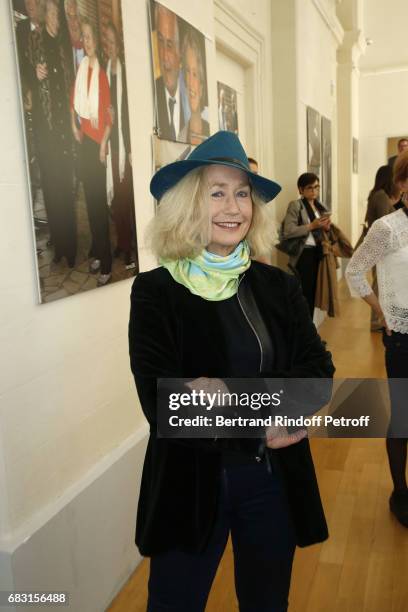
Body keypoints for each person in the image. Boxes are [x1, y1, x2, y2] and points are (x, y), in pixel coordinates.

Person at [129, 131, 334, 611]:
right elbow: (166, 405)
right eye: (215, 192)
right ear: (187, 204)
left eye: (242, 193)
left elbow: (318, 374)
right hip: (189, 484)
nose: (233, 207)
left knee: (266, 602)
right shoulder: (155, 292)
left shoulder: (277, 287)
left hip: (271, 480)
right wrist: (269, 409)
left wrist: (224, 393)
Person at [346, 150, 408, 528]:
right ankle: (399, 491)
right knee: (403, 417)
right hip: (402, 338)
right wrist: (381, 310)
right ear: (402, 184)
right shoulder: (387, 228)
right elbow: (354, 271)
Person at [31, 0, 77, 267]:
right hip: (44, 132)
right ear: (45, 16)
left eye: (57, 15)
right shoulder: (34, 42)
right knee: (50, 191)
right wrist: (34, 77)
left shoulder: (63, 47)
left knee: (65, 191)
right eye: (51, 14)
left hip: (62, 133)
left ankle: (70, 248)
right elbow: (27, 83)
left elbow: (69, 87)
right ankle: (59, 246)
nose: (55, 19)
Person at [71, 18, 112, 286]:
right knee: (90, 205)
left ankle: (106, 264)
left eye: (90, 37)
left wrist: (102, 145)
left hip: (97, 147)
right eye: (83, 37)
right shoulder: (82, 68)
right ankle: (97, 253)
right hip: (84, 144)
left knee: (99, 207)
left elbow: (109, 118)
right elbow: (73, 102)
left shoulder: (101, 74)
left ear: (96, 41)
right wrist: (74, 127)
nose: (87, 42)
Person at [105, 21, 136, 268]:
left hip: (126, 147)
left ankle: (131, 248)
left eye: (112, 41)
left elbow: (131, 112)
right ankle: (122, 243)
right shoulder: (105, 73)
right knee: (116, 202)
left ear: (118, 44)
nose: (109, 45)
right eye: (106, 42)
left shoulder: (126, 72)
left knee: (127, 200)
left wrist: (132, 149)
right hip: (112, 145)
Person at [281, 173, 331, 317]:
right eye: (310, 188)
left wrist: (326, 227)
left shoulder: (320, 206)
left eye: (317, 187)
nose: (314, 191)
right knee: (304, 294)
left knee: (315, 292)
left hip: (318, 252)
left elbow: (321, 230)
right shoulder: (296, 205)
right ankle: (305, 333)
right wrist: (311, 226)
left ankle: (310, 331)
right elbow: (288, 231)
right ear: (301, 190)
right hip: (303, 255)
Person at [363, 165, 401, 330]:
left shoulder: (379, 196)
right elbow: (386, 224)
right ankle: (377, 321)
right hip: (382, 249)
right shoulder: (381, 197)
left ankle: (380, 320)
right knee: (380, 285)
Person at [154, 4, 186, 141]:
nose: (164, 55)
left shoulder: (192, 100)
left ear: (180, 52)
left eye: (170, 45)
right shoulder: (152, 94)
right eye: (161, 41)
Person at [179, 30, 209, 145]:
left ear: (202, 86)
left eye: (195, 74)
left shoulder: (214, 137)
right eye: (187, 71)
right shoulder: (180, 136)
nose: (190, 82)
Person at [64, 0, 84, 75]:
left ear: (80, 19)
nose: (72, 22)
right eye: (69, 17)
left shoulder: (88, 46)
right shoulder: (63, 49)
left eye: (75, 16)